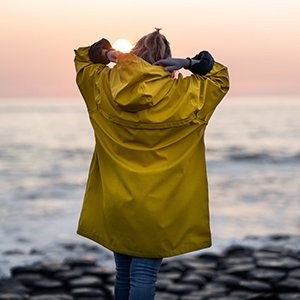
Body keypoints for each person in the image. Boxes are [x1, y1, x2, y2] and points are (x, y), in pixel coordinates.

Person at [74, 28, 229, 300]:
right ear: (166, 60)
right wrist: (189, 63)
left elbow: (84, 57)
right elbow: (219, 76)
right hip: (161, 207)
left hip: (117, 201)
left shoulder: (103, 87)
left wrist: (111, 54)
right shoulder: (188, 93)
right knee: (144, 275)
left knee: (123, 274)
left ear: (134, 54)